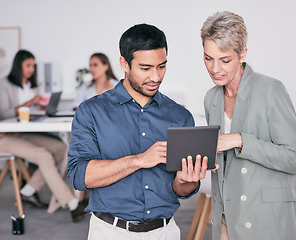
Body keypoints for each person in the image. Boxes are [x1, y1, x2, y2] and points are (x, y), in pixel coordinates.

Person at [67, 24, 213, 239]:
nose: (155, 76)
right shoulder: (91, 111)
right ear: (124, 64)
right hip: (110, 232)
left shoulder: (180, 116)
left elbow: (184, 190)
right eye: (145, 68)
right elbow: (79, 176)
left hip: (165, 232)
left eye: (161, 66)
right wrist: (139, 160)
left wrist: (184, 181)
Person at [201, 11, 296, 240]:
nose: (215, 68)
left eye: (225, 60)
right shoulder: (212, 98)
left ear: (242, 54)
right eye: (208, 58)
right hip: (226, 219)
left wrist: (240, 140)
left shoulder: (270, 90)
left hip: (267, 218)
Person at [0, 46, 87, 222]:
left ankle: (27, 191)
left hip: (7, 132)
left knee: (59, 148)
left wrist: (5, 125)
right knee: (43, 155)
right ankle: (71, 203)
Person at [0, 49, 43, 119]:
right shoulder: (4, 83)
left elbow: (39, 109)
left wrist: (44, 104)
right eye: (28, 65)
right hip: (15, 125)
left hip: (35, 122)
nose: (32, 70)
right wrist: (31, 102)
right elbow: (4, 114)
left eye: (33, 66)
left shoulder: (35, 83)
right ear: (19, 65)